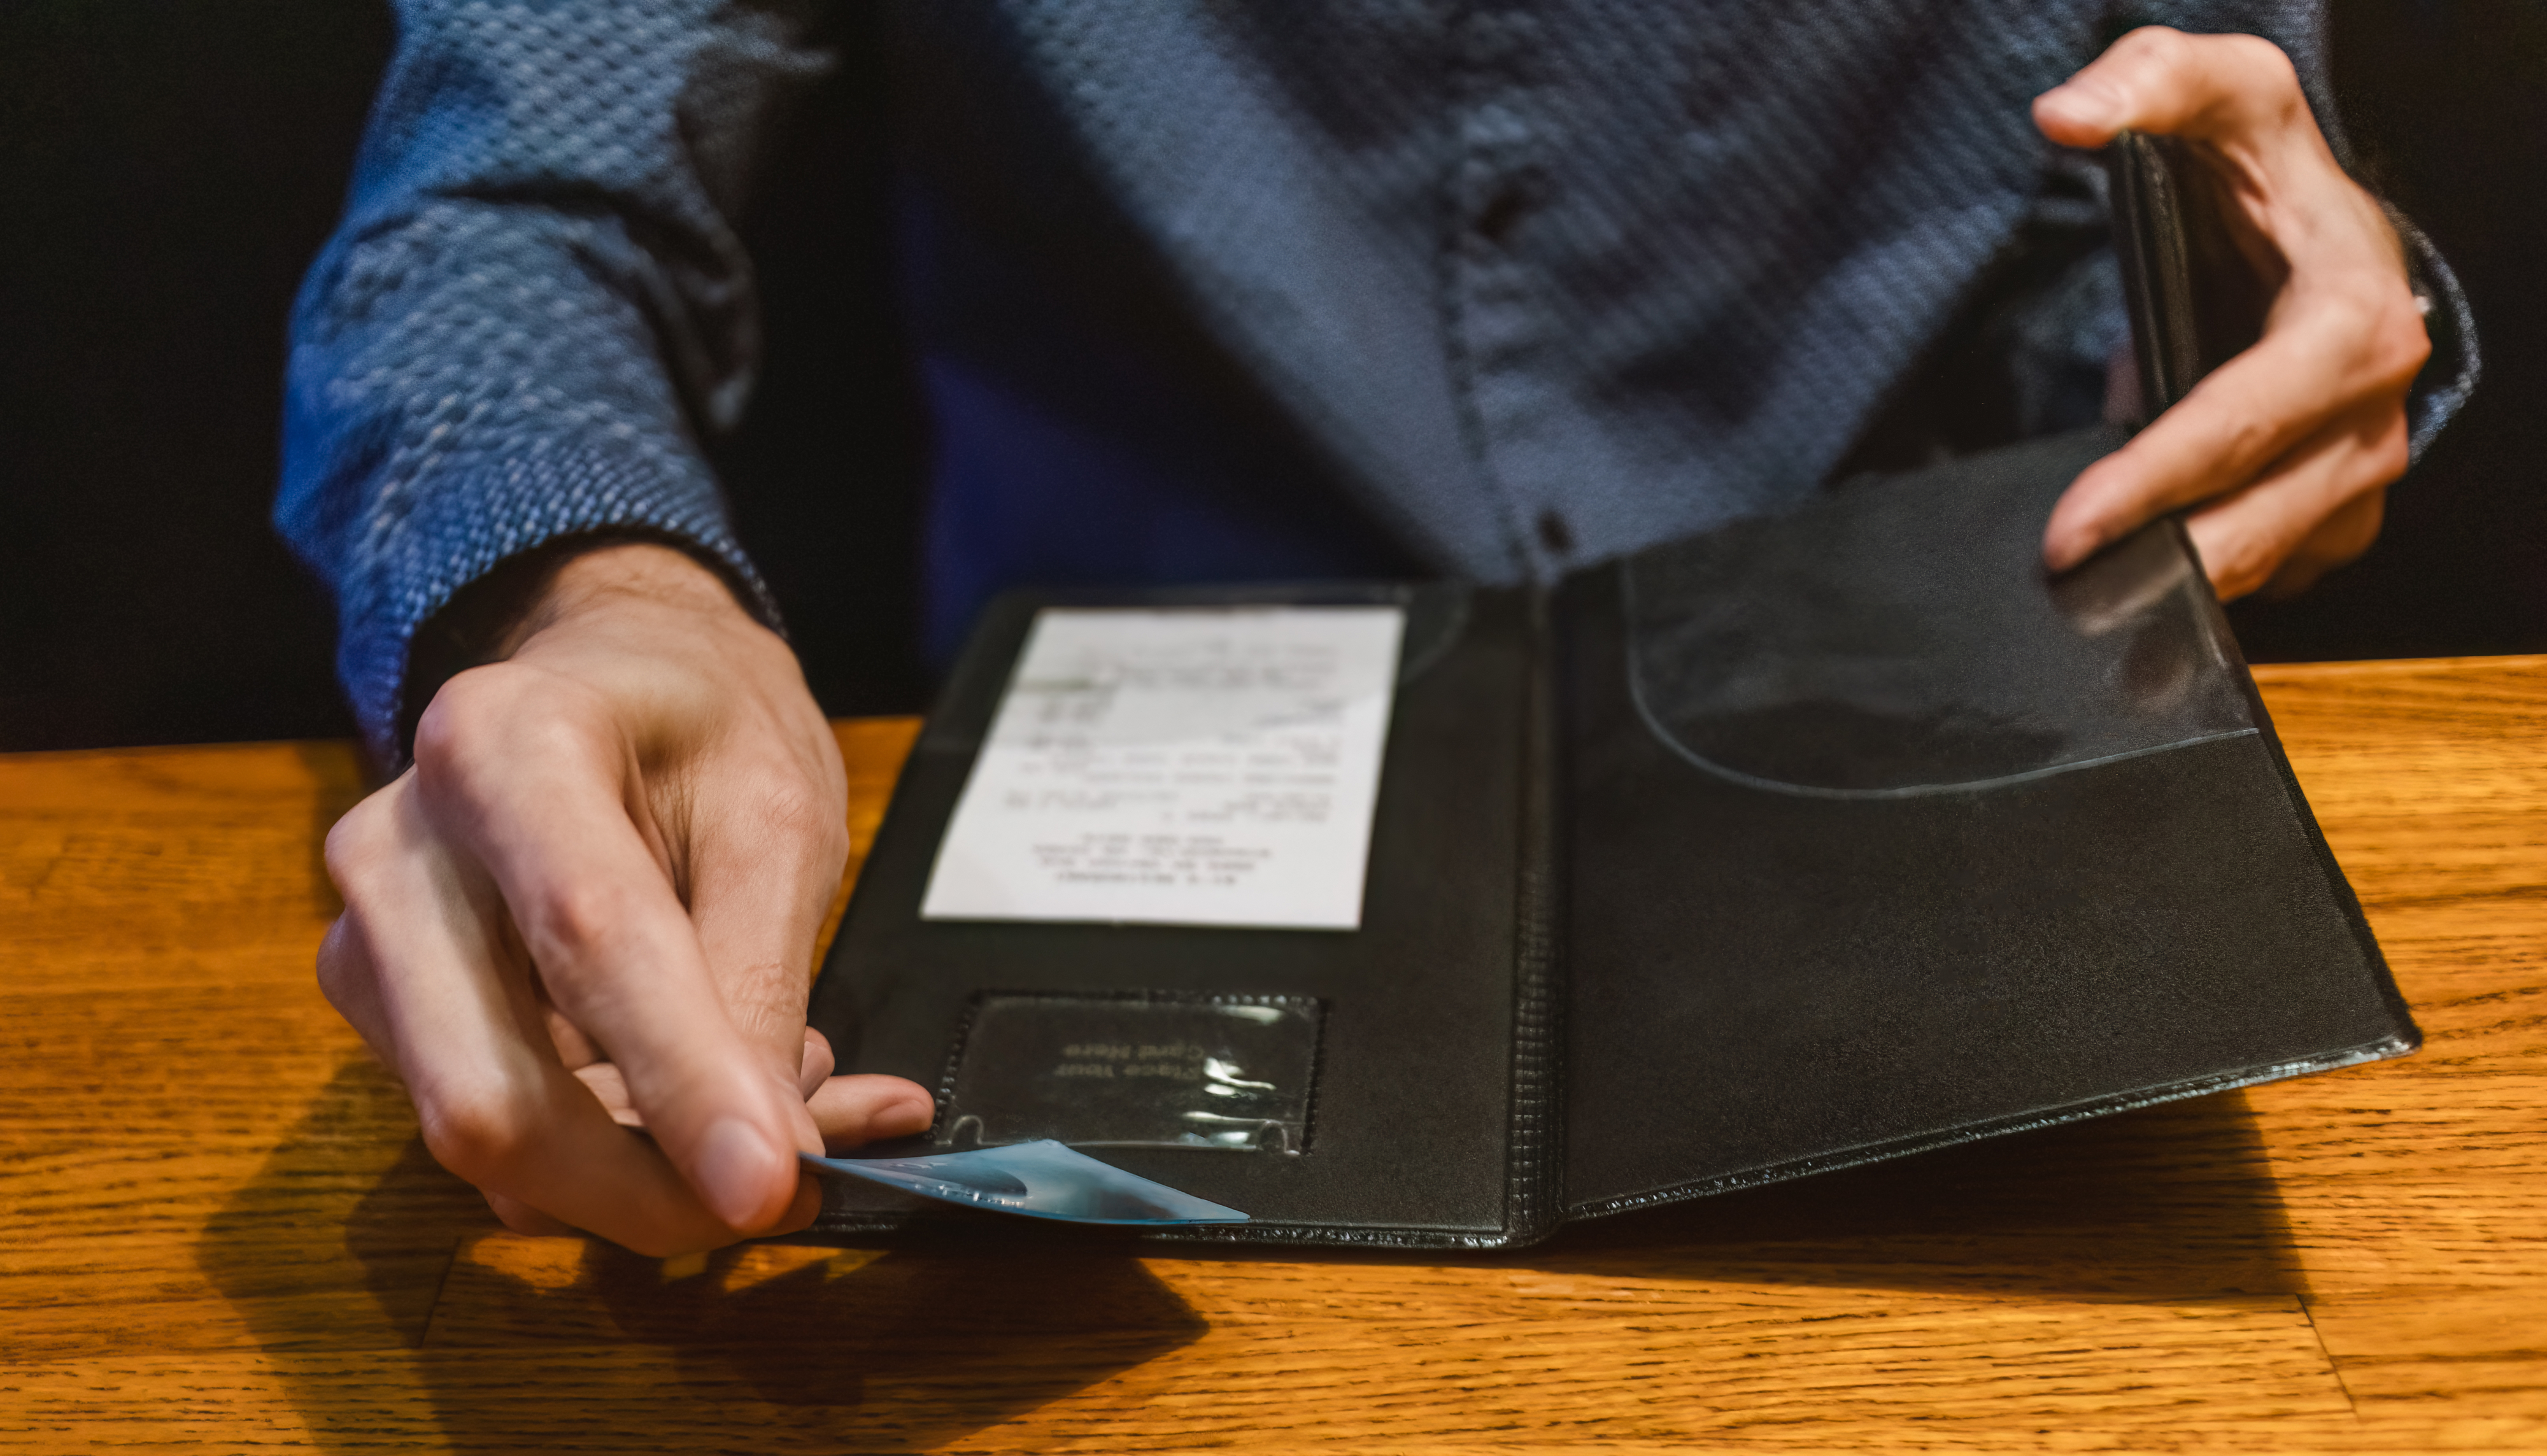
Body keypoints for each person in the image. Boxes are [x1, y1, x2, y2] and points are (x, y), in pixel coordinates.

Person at [280, 3, 2470, 1257]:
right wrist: (588, 592)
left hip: (1928, 785)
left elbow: (2222, 145)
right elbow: (505, 207)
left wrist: (2276, 319)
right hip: (1090, 820)